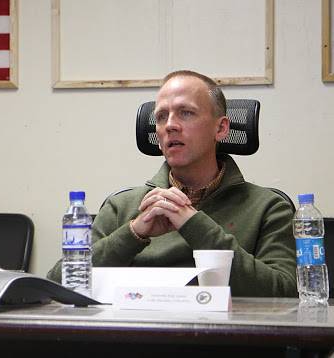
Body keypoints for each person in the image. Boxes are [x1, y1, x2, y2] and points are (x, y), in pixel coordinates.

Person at [47, 70, 297, 297]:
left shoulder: (269, 207)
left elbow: (286, 294)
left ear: (221, 129)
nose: (170, 126)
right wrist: (132, 234)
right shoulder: (122, 206)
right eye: (161, 117)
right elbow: (58, 285)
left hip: (227, 342)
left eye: (186, 113)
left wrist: (193, 224)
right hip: (136, 340)